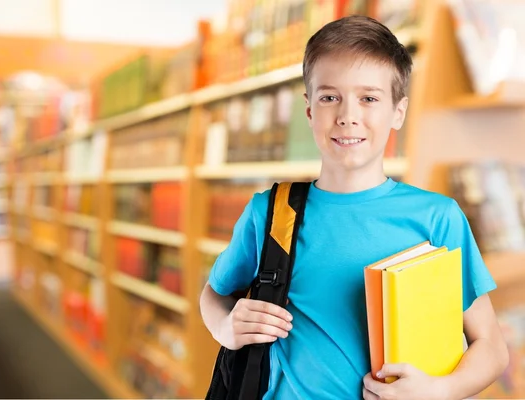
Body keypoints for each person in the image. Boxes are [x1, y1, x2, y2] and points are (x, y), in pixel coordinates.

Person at [199, 14, 509, 400]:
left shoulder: (436, 218)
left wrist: (440, 390)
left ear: (398, 111)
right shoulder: (271, 213)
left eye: (369, 98)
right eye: (330, 97)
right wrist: (222, 327)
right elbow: (213, 293)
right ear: (309, 110)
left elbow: (492, 349)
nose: (347, 116)